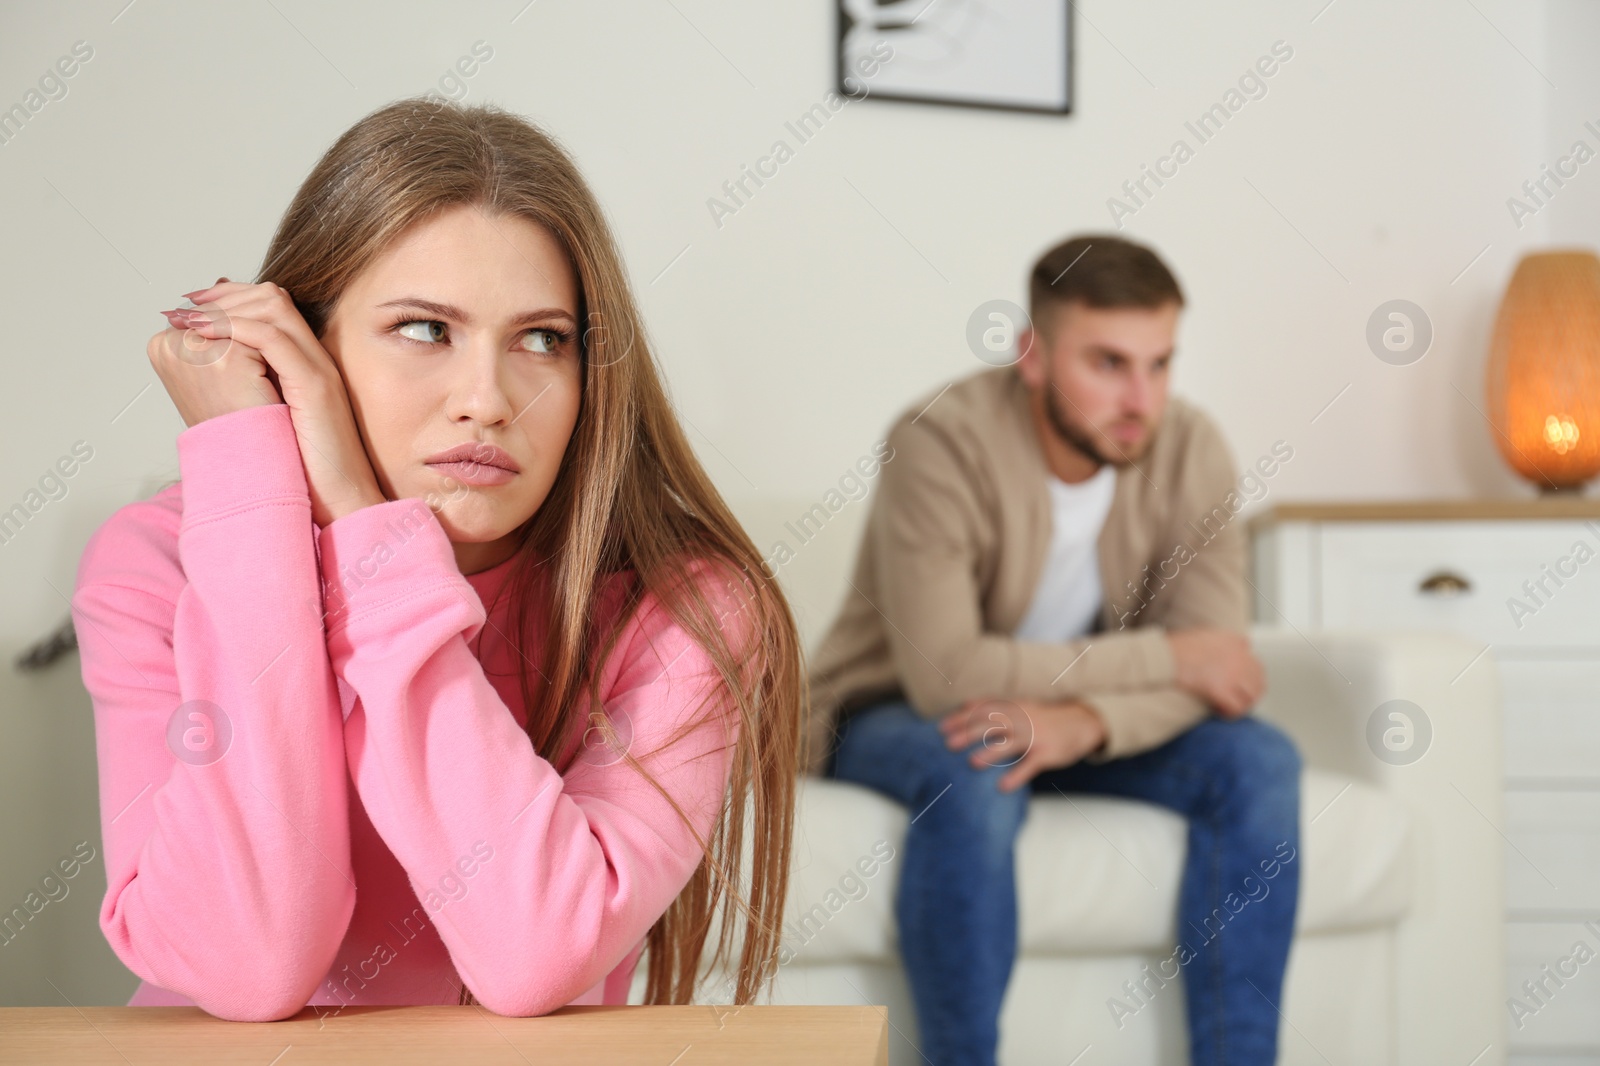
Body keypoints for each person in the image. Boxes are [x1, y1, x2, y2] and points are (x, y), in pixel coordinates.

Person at [73, 96, 803, 1022]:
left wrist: (360, 523)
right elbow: (246, 965)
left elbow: (536, 954)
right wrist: (255, 486)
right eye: (425, 329)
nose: (487, 400)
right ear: (304, 343)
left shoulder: (684, 609)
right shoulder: (153, 565)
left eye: (543, 339)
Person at [805, 235, 1302, 1065]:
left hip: (1085, 725)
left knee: (1261, 761)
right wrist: (1168, 661)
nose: (1140, 399)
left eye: (1159, 363)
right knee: (978, 758)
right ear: (1031, 356)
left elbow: (1216, 664)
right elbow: (947, 675)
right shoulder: (938, 441)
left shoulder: (1191, 448)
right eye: (1108, 363)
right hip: (892, 711)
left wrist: (1085, 725)